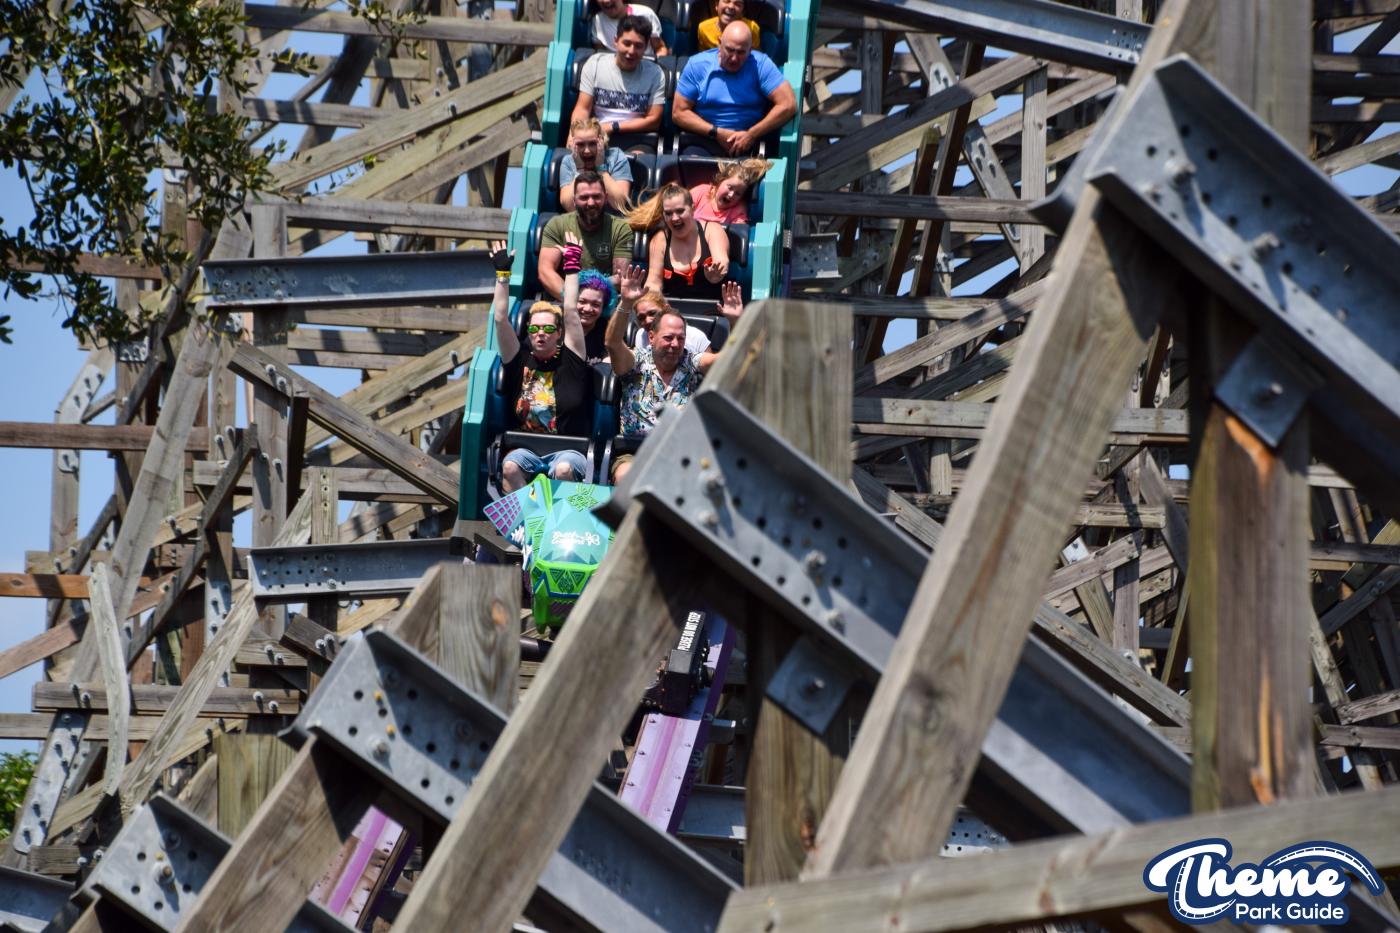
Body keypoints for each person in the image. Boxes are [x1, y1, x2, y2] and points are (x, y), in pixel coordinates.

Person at [605, 279, 742, 483]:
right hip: (635, 451)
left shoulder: (691, 361)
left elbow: (728, 360)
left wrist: (735, 322)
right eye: (668, 338)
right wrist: (625, 303)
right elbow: (613, 343)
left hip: (683, 453)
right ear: (651, 337)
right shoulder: (637, 361)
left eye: (681, 338)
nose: (675, 344)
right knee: (626, 477)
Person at [491, 238, 595, 492]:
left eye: (548, 328)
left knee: (563, 469)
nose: (541, 334)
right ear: (528, 331)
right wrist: (503, 276)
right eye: (535, 328)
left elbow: (570, 310)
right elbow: (500, 319)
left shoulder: (571, 359)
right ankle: (526, 526)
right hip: (527, 448)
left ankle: (559, 527)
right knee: (509, 467)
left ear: (558, 333)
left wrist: (572, 266)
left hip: (569, 451)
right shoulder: (519, 359)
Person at [672, 20, 796, 157]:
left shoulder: (761, 65)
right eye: (729, 50)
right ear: (719, 43)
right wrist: (717, 133)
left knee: (739, 177)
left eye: (741, 52)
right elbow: (679, 112)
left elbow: (788, 104)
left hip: (747, 144)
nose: (734, 58)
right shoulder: (697, 65)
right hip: (704, 140)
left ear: (750, 50)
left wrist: (752, 134)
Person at [571, 14, 665, 155]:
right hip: (597, 137)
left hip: (637, 140)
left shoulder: (655, 74)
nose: (631, 51)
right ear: (616, 41)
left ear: (646, 47)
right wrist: (574, 135)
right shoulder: (595, 64)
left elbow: (653, 120)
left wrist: (613, 127)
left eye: (638, 46)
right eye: (626, 44)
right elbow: (583, 109)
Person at [539, 171, 632, 300]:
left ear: (605, 198)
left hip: (604, 303)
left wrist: (589, 296)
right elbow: (545, 271)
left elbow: (620, 278)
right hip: (565, 299)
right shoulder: (557, 225)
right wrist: (572, 298)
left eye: (596, 197)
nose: (591, 203)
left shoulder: (620, 228)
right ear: (574, 200)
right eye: (584, 197)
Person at [638, 184, 731, 301]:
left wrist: (716, 275)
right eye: (668, 213)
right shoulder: (660, 239)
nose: (675, 218)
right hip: (672, 312)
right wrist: (649, 301)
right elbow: (653, 282)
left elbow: (722, 262)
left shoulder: (712, 230)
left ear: (692, 209)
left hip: (712, 308)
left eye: (680, 211)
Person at [559, 118, 632, 212]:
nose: (587, 151)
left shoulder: (616, 156)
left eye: (592, 144)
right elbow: (569, 207)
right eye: (580, 145)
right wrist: (580, 170)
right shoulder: (568, 162)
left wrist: (601, 168)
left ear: (601, 141)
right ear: (573, 144)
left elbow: (619, 204)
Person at [691, 158, 771, 225]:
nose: (731, 194)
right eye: (730, 187)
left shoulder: (738, 210)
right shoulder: (702, 191)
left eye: (738, 193)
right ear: (720, 181)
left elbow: (739, 231)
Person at [590, 0, 668, 57]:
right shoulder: (597, 20)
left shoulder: (646, 14)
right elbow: (599, 53)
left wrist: (655, 64)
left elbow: (660, 48)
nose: (606, 1)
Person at [576, 268, 615, 363]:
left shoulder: (607, 331)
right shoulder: (557, 325)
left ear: (604, 307)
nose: (588, 309)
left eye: (595, 304)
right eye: (582, 302)